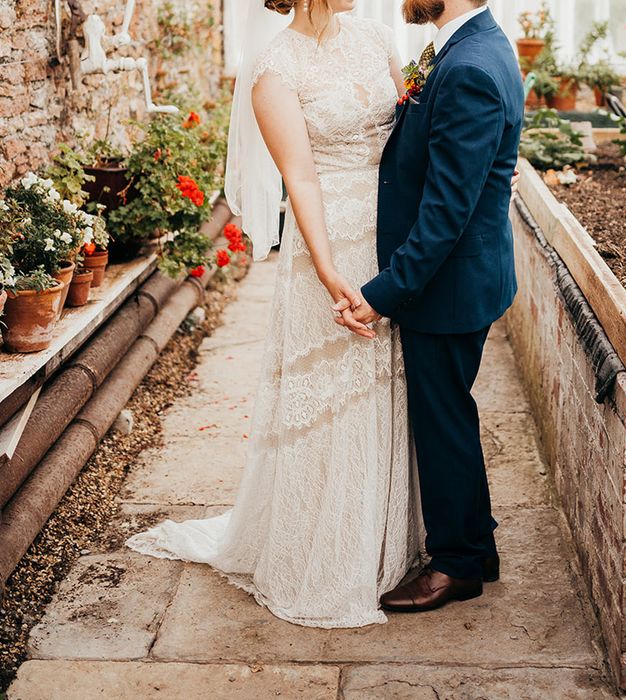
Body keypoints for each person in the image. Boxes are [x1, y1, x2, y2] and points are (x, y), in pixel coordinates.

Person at [126, 0, 426, 628]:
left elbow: (409, 138)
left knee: (388, 389)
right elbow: (302, 181)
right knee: (334, 397)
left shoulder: (377, 39)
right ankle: (326, 556)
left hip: (396, 240)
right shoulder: (274, 70)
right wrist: (327, 270)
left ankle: (386, 542)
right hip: (330, 244)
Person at [335, 0, 525, 612]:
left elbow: (446, 213)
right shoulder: (470, 47)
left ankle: (455, 565)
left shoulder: (468, 65)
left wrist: (382, 294)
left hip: (446, 286)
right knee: (452, 416)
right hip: (464, 277)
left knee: (442, 423)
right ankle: (476, 546)